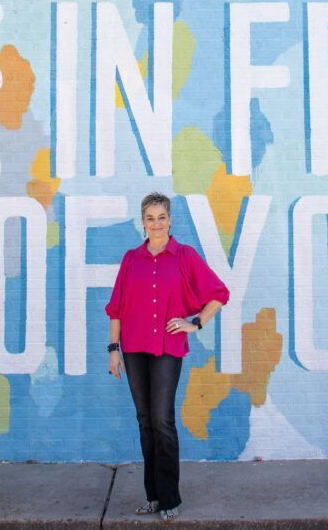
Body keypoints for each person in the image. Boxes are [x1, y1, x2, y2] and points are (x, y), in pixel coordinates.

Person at [105, 192, 229, 521]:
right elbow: (116, 308)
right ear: (142, 222)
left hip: (167, 349)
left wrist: (195, 323)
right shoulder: (131, 259)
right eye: (150, 218)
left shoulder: (184, 256)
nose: (156, 224)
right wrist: (113, 350)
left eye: (161, 217)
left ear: (170, 220)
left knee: (162, 420)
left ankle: (171, 497)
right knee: (145, 422)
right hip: (132, 349)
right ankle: (153, 497)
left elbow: (219, 294)